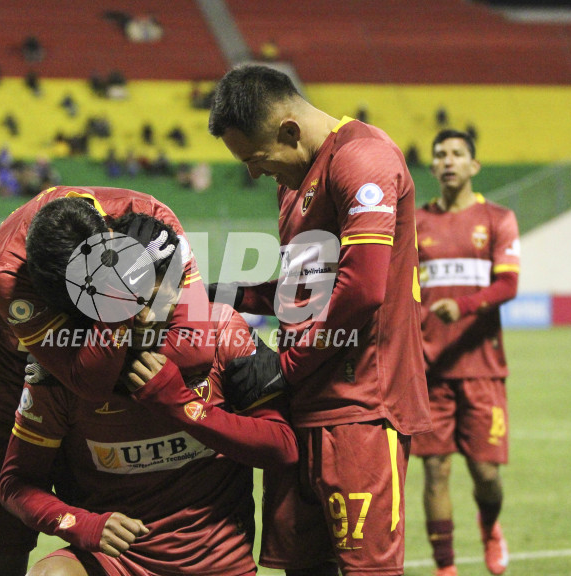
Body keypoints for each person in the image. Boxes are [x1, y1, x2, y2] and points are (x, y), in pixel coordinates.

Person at [207, 64, 431, 576]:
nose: (254, 174)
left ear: (288, 129)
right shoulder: (293, 184)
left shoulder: (363, 159)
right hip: (299, 410)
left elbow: (363, 289)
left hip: (360, 410)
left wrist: (288, 366)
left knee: (364, 569)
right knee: (302, 566)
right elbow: (297, 295)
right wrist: (211, 293)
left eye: (256, 158)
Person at [0, 213, 310, 576]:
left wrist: (182, 406)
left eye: (155, 300)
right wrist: (82, 525)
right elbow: (16, 483)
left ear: (181, 282)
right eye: (130, 303)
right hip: (114, 562)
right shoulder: (64, 364)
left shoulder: (223, 330)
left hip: (217, 563)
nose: (145, 318)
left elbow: (283, 446)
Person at [0, 187, 213, 576]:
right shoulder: (7, 269)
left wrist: (113, 294)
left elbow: (196, 349)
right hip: (17, 396)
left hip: (107, 400)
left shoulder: (151, 221)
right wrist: (119, 295)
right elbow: (88, 379)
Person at [412, 130, 519, 576]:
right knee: (435, 471)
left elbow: (508, 284)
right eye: (441, 155)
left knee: (487, 478)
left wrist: (465, 306)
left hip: (482, 369)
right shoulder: (415, 224)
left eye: (457, 154)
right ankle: (446, 567)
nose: (448, 161)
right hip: (429, 369)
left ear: (474, 166)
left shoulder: (497, 218)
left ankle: (490, 527)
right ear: (433, 167)